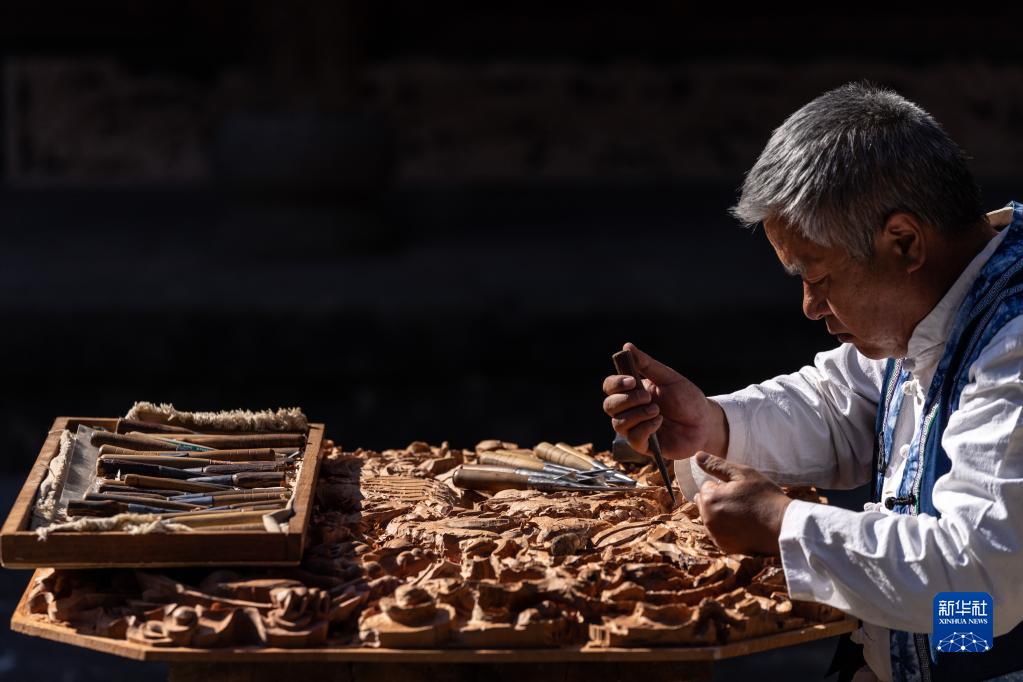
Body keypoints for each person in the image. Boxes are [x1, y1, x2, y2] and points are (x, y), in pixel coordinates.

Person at [602, 82, 1023, 682]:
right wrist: (712, 426)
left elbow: (980, 578)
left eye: (818, 277)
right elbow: (842, 406)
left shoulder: (1013, 342)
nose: (808, 306)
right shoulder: (933, 305)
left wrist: (782, 522)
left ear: (903, 241)